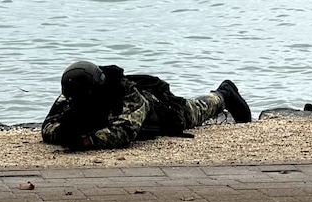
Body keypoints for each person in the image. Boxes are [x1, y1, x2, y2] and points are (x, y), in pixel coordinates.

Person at [42, 61, 252, 150]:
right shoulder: (74, 93)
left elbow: (124, 132)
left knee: (200, 108)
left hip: (164, 111)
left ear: (93, 90)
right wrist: (61, 133)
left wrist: (86, 142)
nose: (73, 102)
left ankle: (225, 92)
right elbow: (49, 124)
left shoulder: (126, 93)